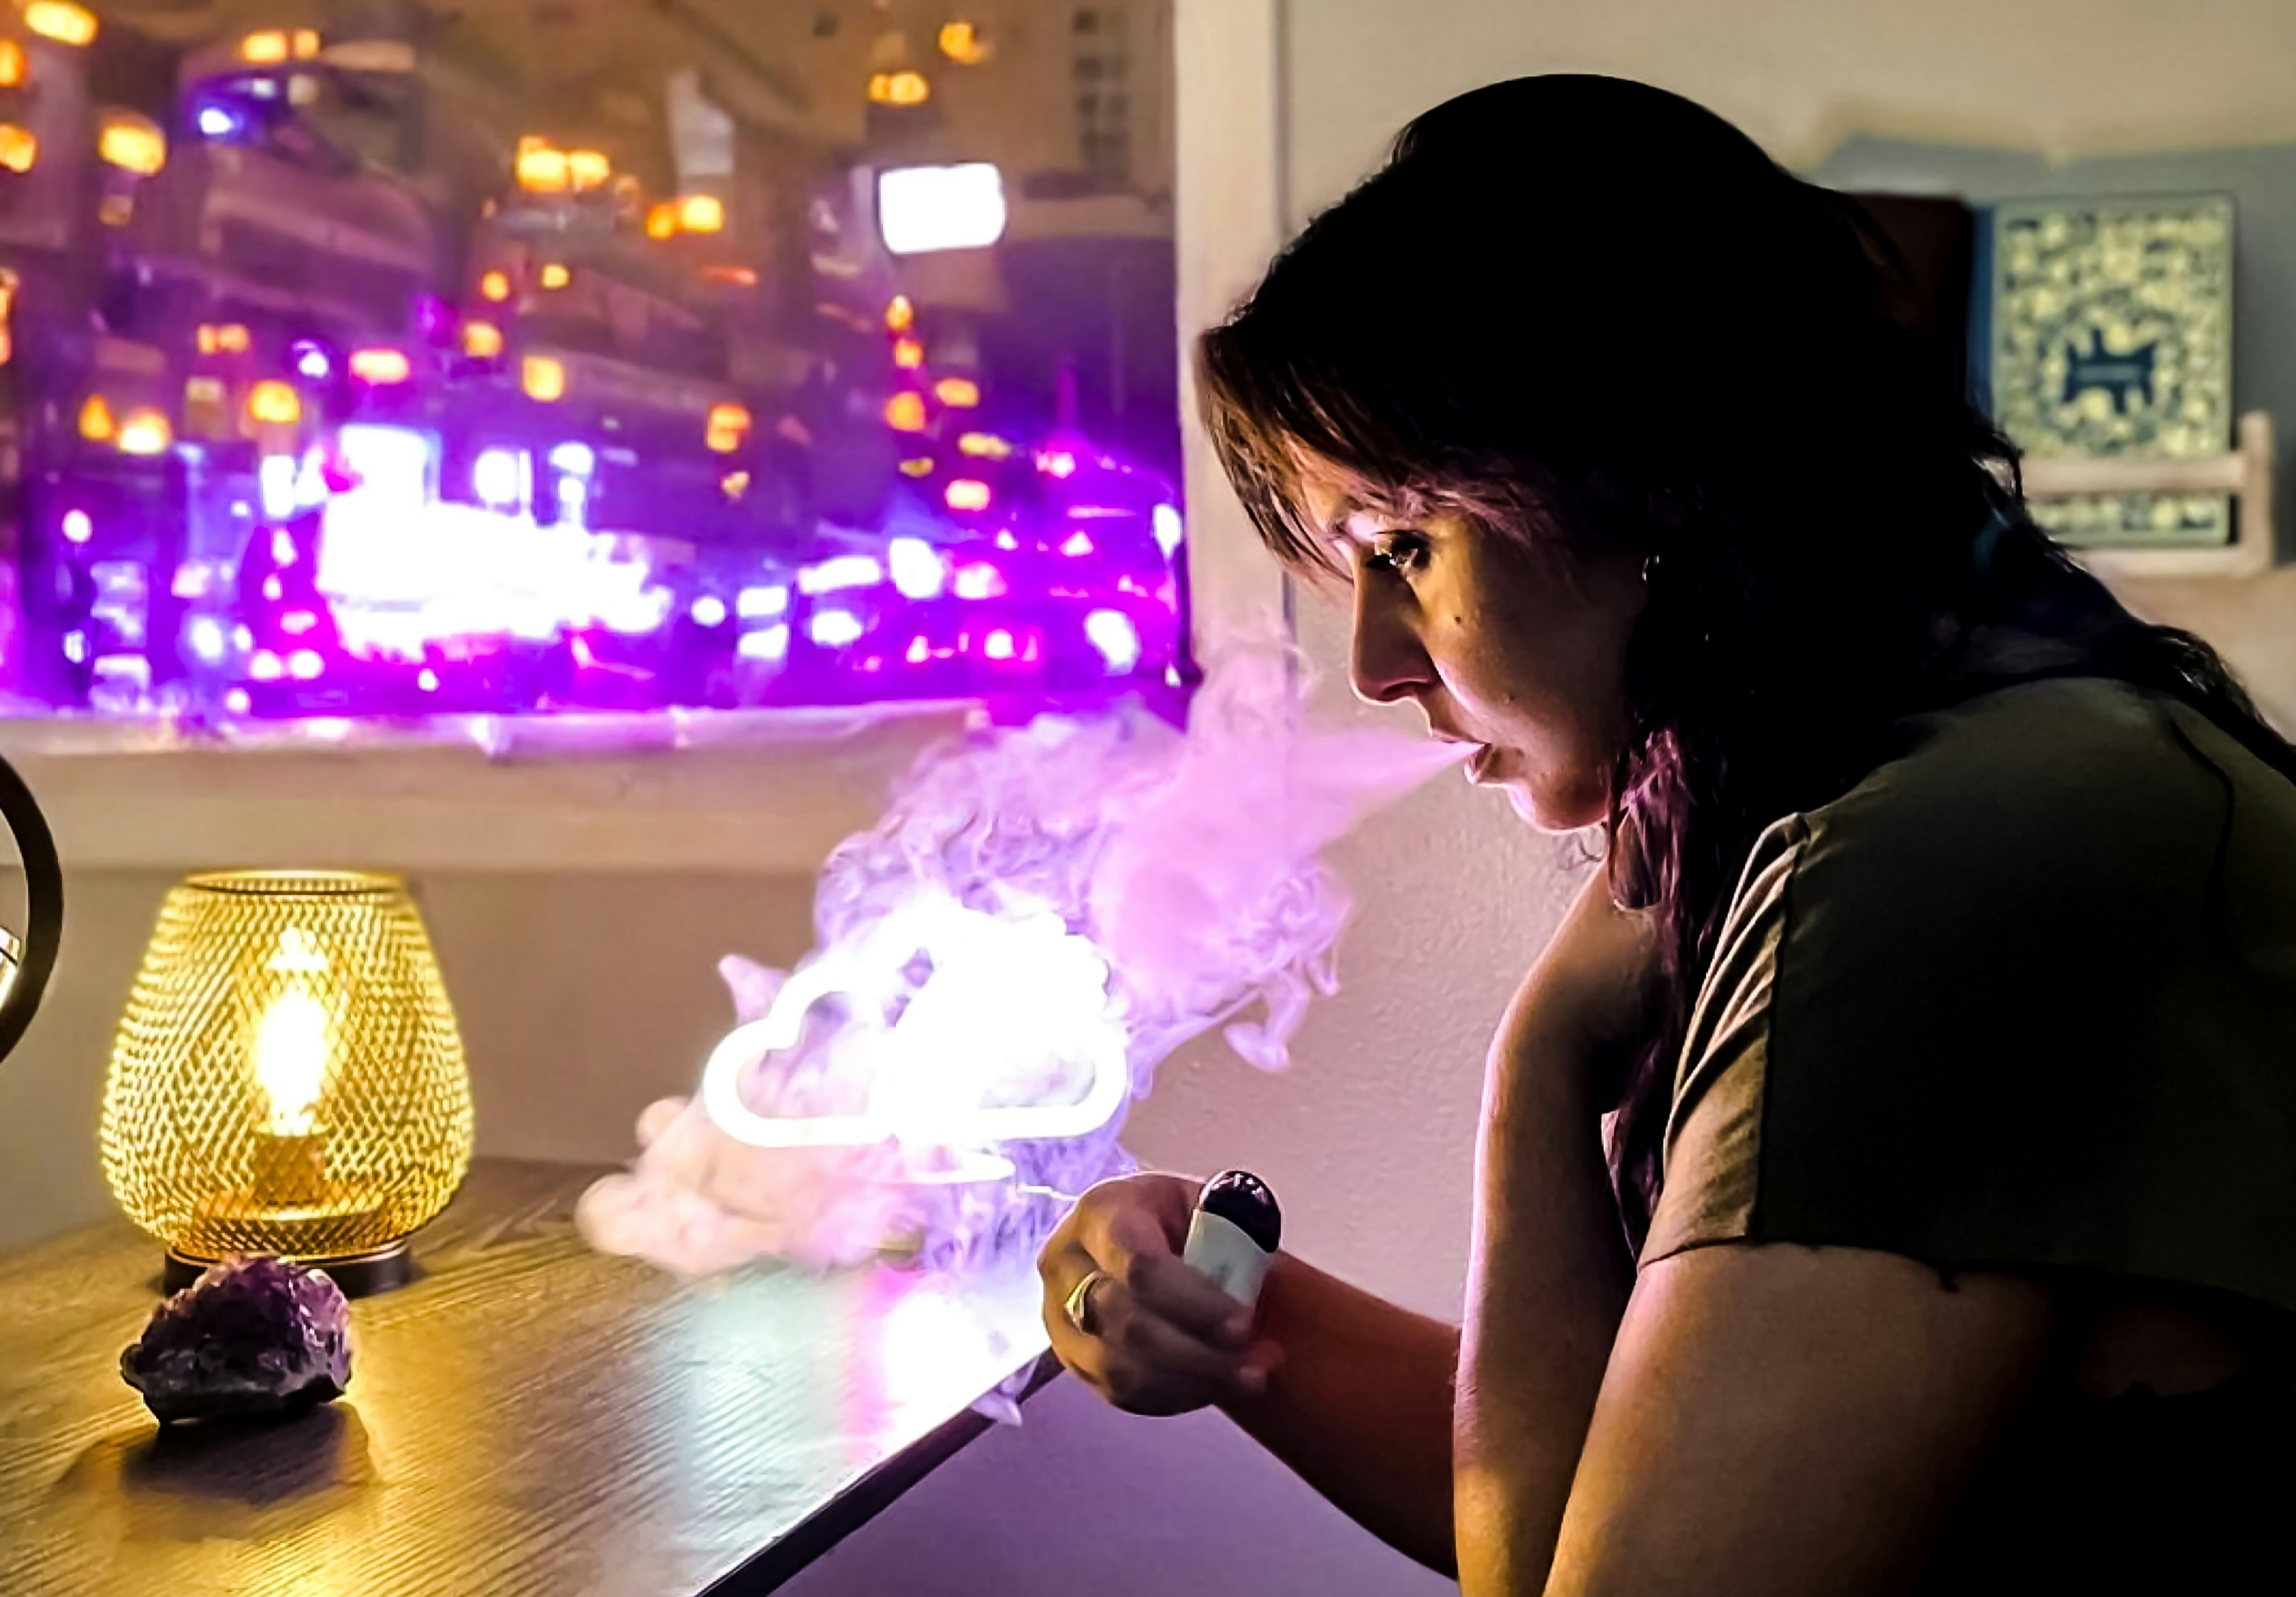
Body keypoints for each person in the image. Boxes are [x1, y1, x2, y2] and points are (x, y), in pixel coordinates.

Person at [1036, 75, 2296, 1594]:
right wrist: (1251, 1322)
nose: (1373, 661)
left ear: (1642, 488)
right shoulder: (2019, 762)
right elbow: (1634, 1472)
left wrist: (1542, 1061)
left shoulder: (1939, 868)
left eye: (1404, 548)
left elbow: (1566, 1574)